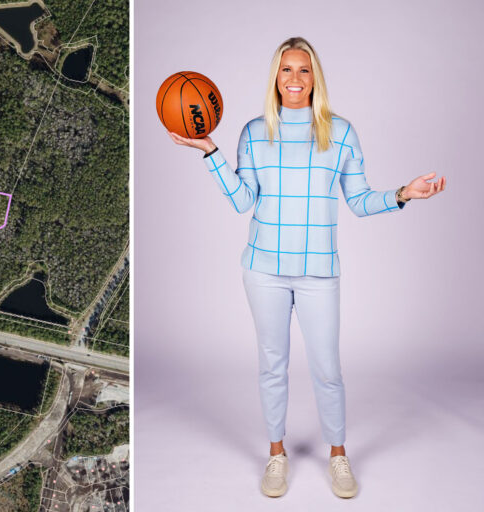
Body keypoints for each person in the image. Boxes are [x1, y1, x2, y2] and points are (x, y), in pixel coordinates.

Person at [168, 36, 446, 499]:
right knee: (272, 366)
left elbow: (358, 201)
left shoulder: (341, 132)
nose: (294, 79)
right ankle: (276, 455)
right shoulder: (253, 133)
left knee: (327, 369)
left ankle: (338, 455)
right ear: (275, 78)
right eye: (286, 70)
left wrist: (403, 193)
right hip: (263, 270)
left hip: (319, 272)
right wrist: (210, 151)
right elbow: (241, 201)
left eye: (303, 70)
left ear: (315, 77)